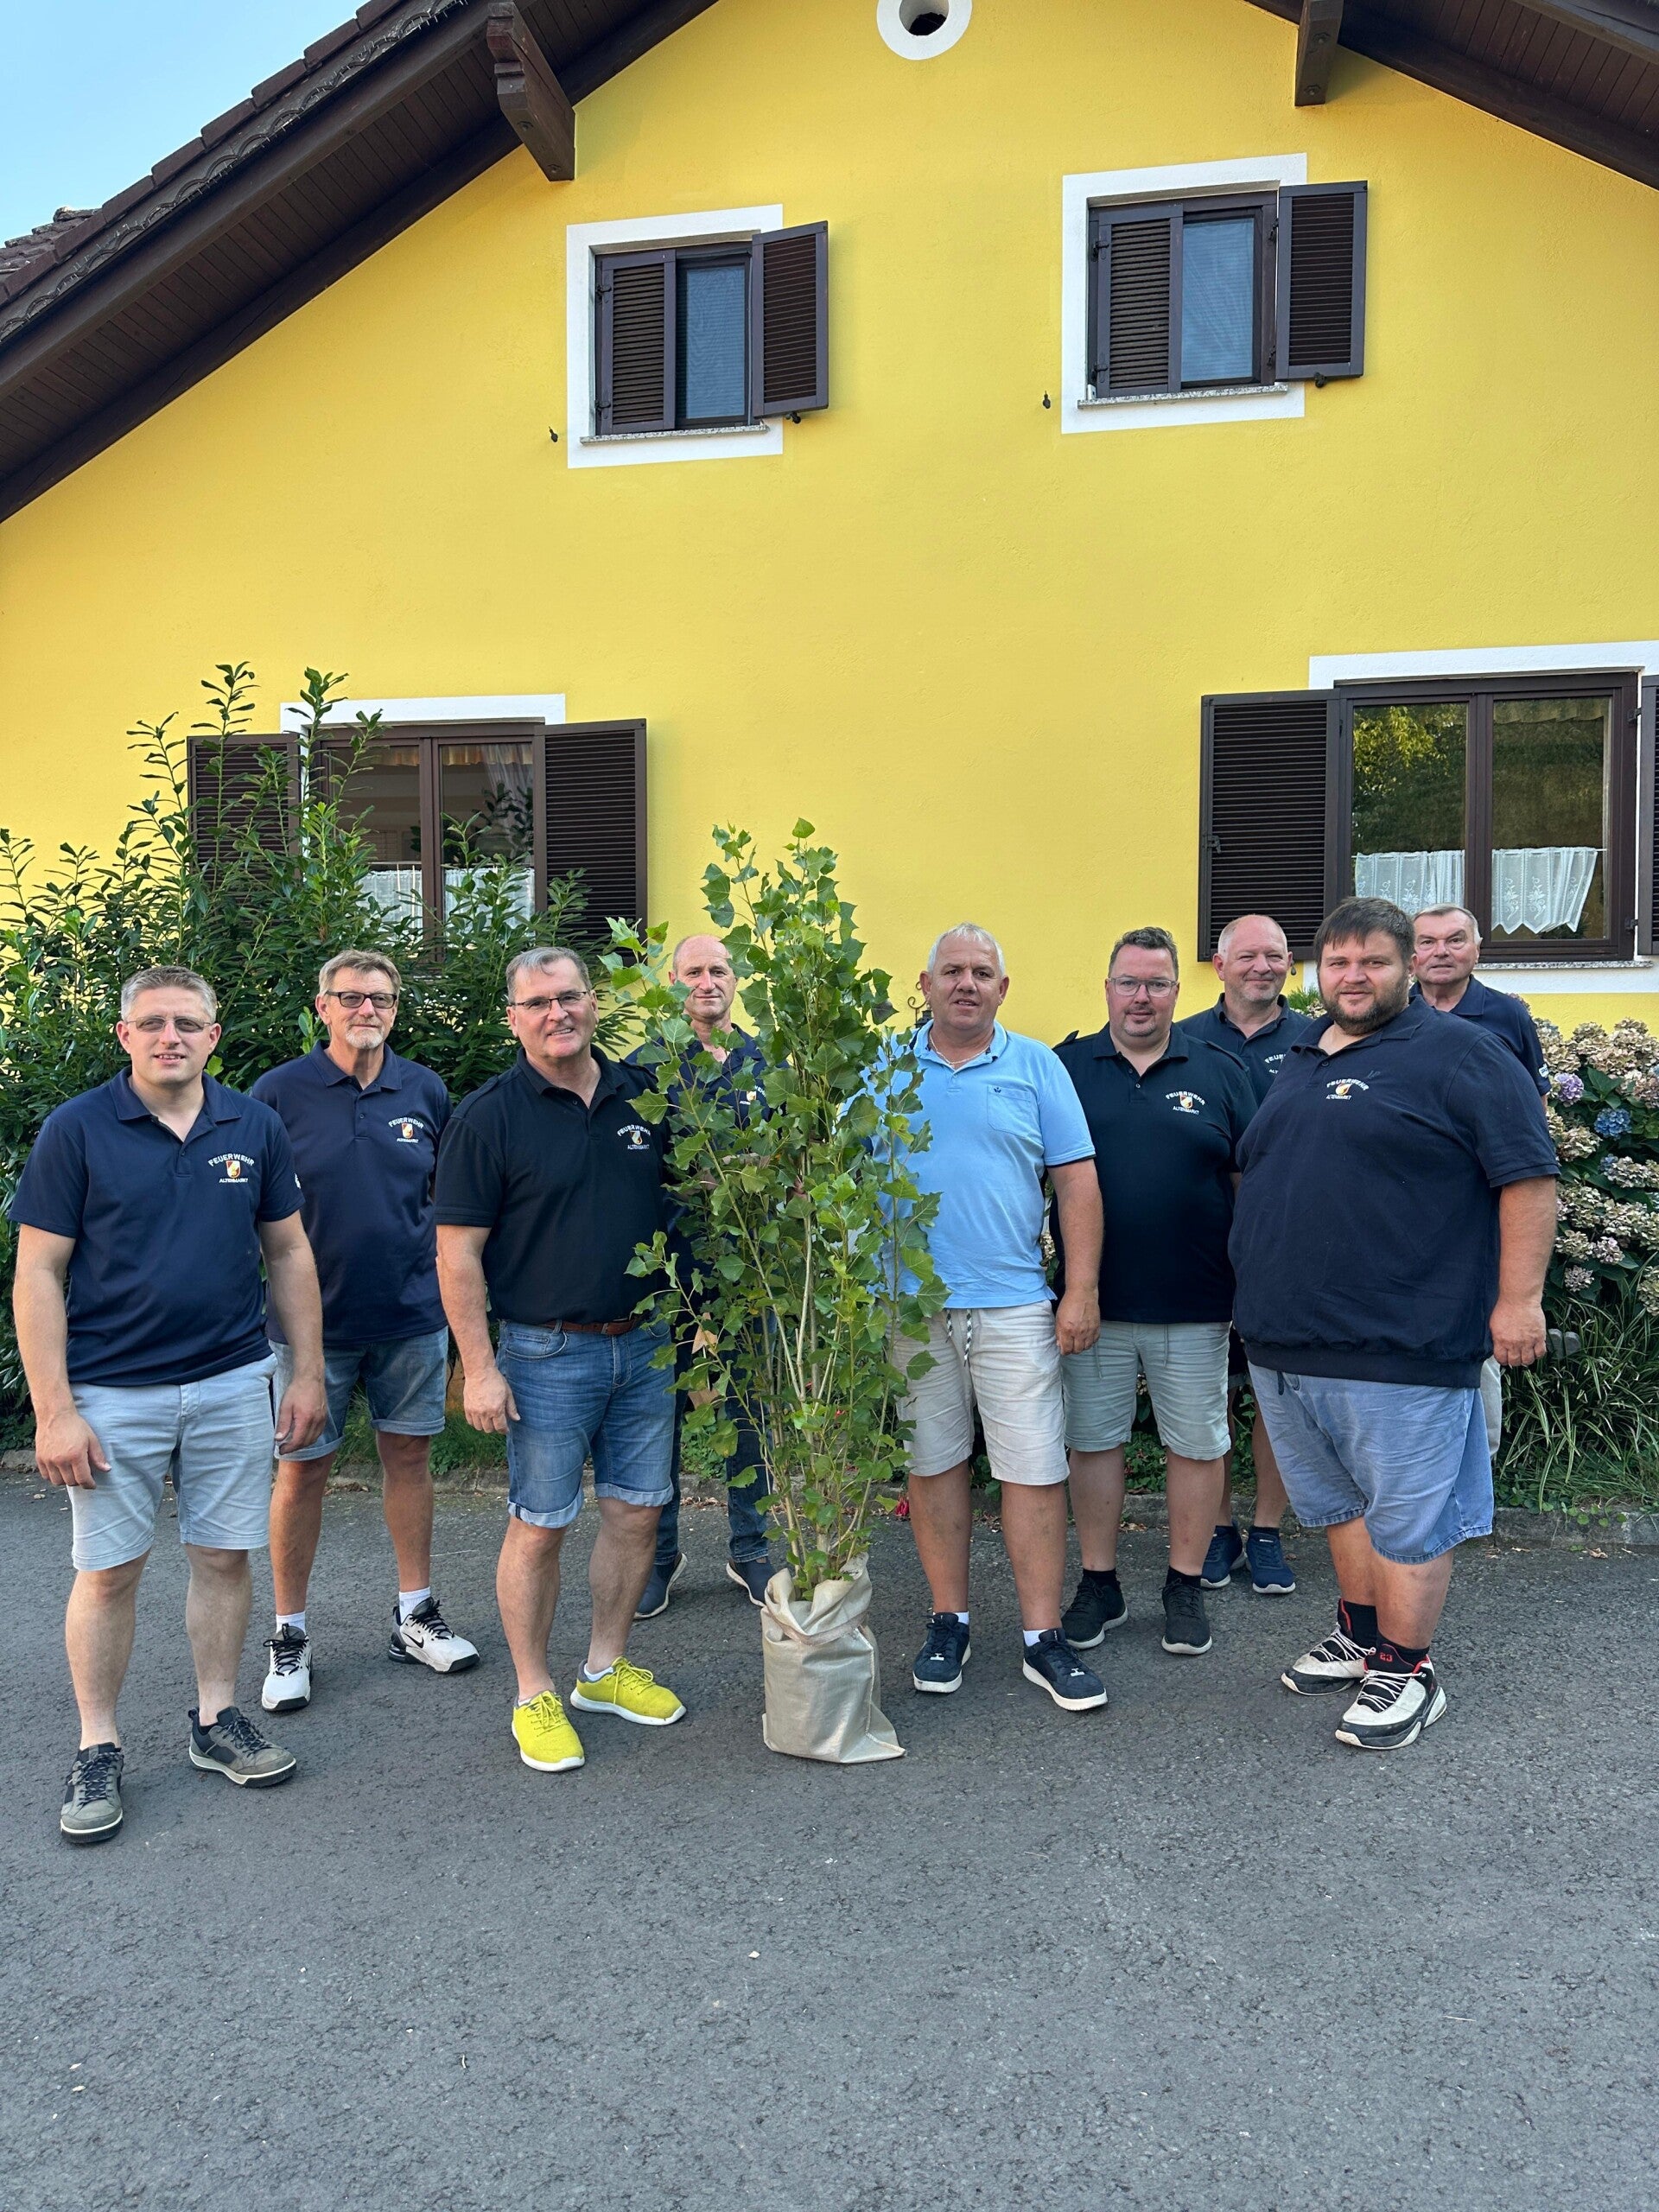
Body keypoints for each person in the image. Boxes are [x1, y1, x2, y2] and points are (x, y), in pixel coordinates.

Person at [1230, 899, 1558, 1751]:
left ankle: (1410, 1669)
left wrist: (1518, 1301)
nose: (1353, 977)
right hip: (1286, 1340)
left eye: (1372, 961)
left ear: (1408, 967)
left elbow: (1528, 1179)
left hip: (1402, 1340)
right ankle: (1362, 1633)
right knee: (1338, 1504)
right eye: (1338, 962)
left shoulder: (1464, 1054)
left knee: (1410, 1520)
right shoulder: (1304, 1055)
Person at [10, 967, 327, 1844]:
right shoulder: (77, 1129)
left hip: (231, 1380)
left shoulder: (253, 1125)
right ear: (125, 1035)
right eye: (151, 1022)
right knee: (109, 1571)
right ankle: (97, 1745)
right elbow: (38, 1273)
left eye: (188, 1022)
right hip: (113, 1392)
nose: (170, 1037)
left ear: (213, 1036)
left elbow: (289, 1253)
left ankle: (215, 1719)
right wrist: (54, 1410)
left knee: (224, 1557)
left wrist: (305, 1374)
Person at [435, 945, 687, 1777]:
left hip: (646, 1344)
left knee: (638, 1513)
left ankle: (605, 1669)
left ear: (593, 1004)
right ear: (514, 1019)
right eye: (538, 1003)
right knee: (541, 1524)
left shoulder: (645, 1096)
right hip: (544, 1352)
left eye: (570, 997)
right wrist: (479, 1366)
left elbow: (686, 1209)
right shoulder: (488, 1118)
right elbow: (457, 1253)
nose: (558, 1013)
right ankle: (533, 1692)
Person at [251, 950, 474, 1713]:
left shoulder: (425, 1090)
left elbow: (448, 1203)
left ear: (396, 1008)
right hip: (306, 1328)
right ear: (323, 1008)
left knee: (409, 1459)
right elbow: (251, 1213)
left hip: (411, 1315)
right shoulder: (277, 1093)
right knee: (301, 1471)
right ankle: (289, 1634)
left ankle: (415, 1614)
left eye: (379, 998)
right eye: (349, 997)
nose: (365, 1010)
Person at [893, 925, 1109, 1713]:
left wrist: (1079, 1290)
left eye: (982, 972)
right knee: (933, 1465)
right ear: (925, 985)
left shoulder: (1037, 1065)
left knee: (1035, 1471)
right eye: (952, 971)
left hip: (1014, 1303)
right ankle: (948, 1620)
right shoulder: (883, 1068)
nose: (967, 984)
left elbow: (1076, 1182)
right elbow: (840, 1169)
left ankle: (1042, 1637)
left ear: (1003, 989)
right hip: (910, 1306)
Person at [1054, 928, 1257, 1662]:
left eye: (1157, 984)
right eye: (1129, 983)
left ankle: (1184, 1585)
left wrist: (1252, 1286)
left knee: (1197, 1447)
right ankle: (1099, 1583)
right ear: (1107, 988)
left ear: (1177, 990)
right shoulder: (1066, 1069)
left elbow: (1250, 1185)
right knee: (1092, 1443)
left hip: (1197, 1302)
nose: (1141, 998)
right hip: (1094, 1304)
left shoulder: (1222, 1071)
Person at [630, 931, 773, 1618]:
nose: (707, 981)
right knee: (659, 1411)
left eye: (718, 969)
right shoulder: (646, 1068)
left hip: (750, 1271)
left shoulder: (766, 1063)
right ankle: (659, 1555)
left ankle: (752, 1547)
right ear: (673, 983)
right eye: (693, 971)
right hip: (667, 1270)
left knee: (748, 1410)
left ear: (735, 980)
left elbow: (792, 1156)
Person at [1178, 912, 1316, 1595]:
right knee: (1209, 1395)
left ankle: (1266, 1530)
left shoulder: (1319, 1040)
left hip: (1290, 1246)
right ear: (1219, 964)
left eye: (1275, 955)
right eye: (1248, 956)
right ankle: (1217, 1528)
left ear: (1289, 964)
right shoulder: (1182, 1039)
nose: (1262, 967)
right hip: (1201, 1246)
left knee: (1275, 1395)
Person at [1411, 903, 1552, 1453]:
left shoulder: (1507, 1015)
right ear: (1410, 954)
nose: (1440, 953)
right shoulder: (1395, 1011)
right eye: (1427, 942)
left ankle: (1479, 1458)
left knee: (1479, 1319)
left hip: (1485, 1196)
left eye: (1454, 940)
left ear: (1477, 949)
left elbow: (1534, 1110)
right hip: (1414, 1198)